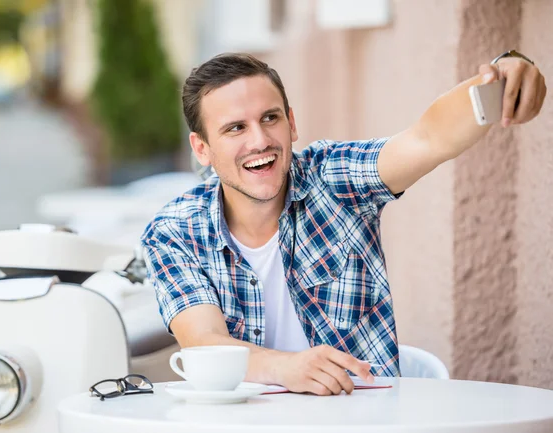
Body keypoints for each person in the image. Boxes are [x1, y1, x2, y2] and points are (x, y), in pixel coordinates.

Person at [141, 51, 546, 396]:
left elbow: (427, 138)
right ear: (202, 148)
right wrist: (288, 368)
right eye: (235, 128)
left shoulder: (334, 178)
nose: (260, 140)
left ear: (292, 123)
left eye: (270, 118)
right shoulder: (174, 232)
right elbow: (205, 343)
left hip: (364, 419)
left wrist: (501, 76)